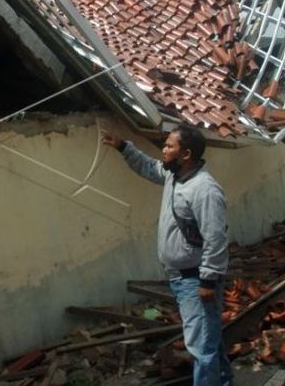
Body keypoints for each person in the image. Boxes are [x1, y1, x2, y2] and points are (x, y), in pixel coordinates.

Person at [102, 126, 232, 386]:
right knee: (208, 341)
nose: (163, 150)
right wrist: (124, 147)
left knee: (201, 348)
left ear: (185, 154)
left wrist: (207, 281)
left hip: (196, 280)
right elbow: (150, 167)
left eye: (169, 146)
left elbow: (216, 238)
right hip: (182, 278)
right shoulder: (175, 176)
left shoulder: (204, 189)